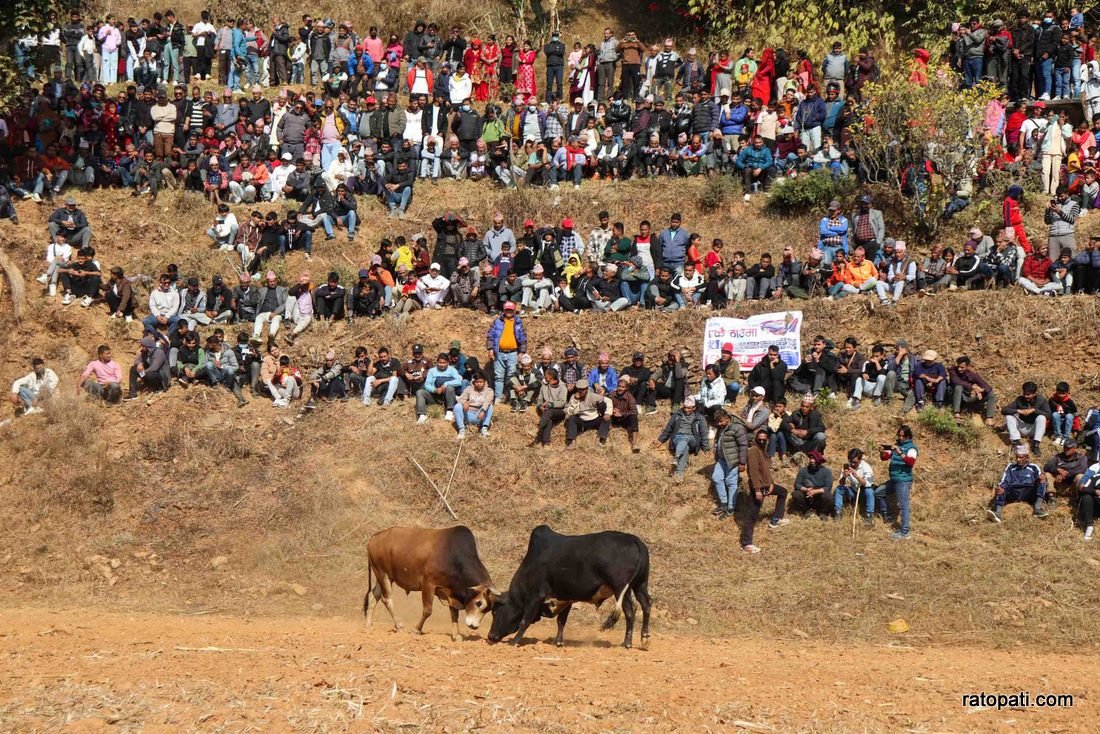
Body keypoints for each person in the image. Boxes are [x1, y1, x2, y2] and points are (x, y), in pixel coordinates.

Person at [741, 428, 790, 552]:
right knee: (752, 515)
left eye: (764, 439)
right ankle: (747, 543)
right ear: (756, 439)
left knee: (782, 492)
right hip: (759, 487)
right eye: (760, 439)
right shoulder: (753, 451)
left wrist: (772, 484)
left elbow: (765, 472)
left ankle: (776, 519)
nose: (762, 441)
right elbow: (753, 472)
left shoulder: (763, 451)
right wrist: (757, 490)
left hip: (767, 486)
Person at [875, 425, 918, 539]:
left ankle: (905, 532)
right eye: (898, 435)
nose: (899, 437)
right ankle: (887, 517)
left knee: (904, 506)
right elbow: (884, 457)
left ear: (908, 436)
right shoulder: (897, 446)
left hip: (903, 481)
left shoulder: (911, 448)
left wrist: (900, 453)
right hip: (894, 480)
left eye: (902, 436)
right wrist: (882, 452)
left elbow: (910, 462)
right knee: (879, 492)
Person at [655, 396, 709, 483]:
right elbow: (669, 428)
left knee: (686, 438)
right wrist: (661, 440)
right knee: (685, 447)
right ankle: (679, 474)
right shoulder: (677, 415)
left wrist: (705, 447)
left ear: (694, 408)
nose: (686, 410)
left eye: (689, 408)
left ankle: (676, 457)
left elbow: (704, 433)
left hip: (692, 439)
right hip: (678, 438)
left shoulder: (699, 418)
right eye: (685, 407)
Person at [988, 445, 1049, 522]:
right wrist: (1001, 487)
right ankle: (997, 513)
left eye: (1020, 457)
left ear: (1026, 457)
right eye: (1017, 457)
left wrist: (1041, 478)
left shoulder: (1033, 467)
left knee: (1043, 480)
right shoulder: (1011, 467)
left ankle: (1037, 508)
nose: (1018, 459)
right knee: (1001, 487)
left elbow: (1039, 478)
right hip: (1014, 492)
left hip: (1028, 492)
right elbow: (1005, 481)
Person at [711, 407, 749, 518]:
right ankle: (723, 503)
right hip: (722, 460)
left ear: (727, 418)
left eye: (721, 421)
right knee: (716, 477)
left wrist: (742, 462)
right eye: (717, 421)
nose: (719, 423)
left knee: (731, 482)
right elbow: (718, 440)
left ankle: (731, 507)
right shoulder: (721, 427)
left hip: (733, 461)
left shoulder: (737, 428)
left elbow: (743, 445)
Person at [486, 300, 527, 403]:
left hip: (513, 353)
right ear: (504, 310)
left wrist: (521, 352)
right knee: (498, 376)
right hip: (499, 352)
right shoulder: (497, 321)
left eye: (511, 310)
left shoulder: (518, 322)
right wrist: (490, 349)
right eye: (507, 310)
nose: (509, 312)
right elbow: (490, 336)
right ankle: (499, 397)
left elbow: (523, 338)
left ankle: (510, 397)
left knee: (511, 376)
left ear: (514, 311)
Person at [1002, 381, 1051, 457]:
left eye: (1028, 395)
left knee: (1041, 418)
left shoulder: (1041, 400)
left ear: (1034, 394)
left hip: (1033, 429)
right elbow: (1004, 410)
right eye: (1024, 394)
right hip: (1021, 428)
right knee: (1009, 416)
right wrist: (1018, 410)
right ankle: (1016, 442)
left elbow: (1049, 415)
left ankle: (1036, 444)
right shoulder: (1019, 400)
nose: (1026, 396)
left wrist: (1034, 410)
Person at [948, 355, 997, 425]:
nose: (959, 369)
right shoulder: (952, 370)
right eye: (958, 366)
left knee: (991, 394)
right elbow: (956, 381)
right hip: (955, 395)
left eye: (962, 367)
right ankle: (957, 413)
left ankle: (989, 418)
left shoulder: (972, 375)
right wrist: (972, 386)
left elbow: (987, 386)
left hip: (967, 396)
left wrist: (980, 390)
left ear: (967, 367)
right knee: (958, 387)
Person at [416, 352, 462, 424]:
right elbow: (427, 384)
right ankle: (422, 415)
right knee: (420, 392)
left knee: (450, 388)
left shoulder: (452, 370)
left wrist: (446, 384)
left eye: (444, 363)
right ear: (437, 362)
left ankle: (449, 411)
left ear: (448, 362)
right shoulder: (432, 371)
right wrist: (435, 390)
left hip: (448, 396)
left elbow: (458, 381)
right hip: (435, 396)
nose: (442, 365)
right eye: (440, 363)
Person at [834, 447, 876, 521]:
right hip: (853, 491)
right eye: (851, 461)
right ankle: (838, 512)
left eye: (855, 462)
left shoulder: (866, 467)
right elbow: (841, 483)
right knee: (839, 489)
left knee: (869, 491)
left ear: (860, 460)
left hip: (863, 492)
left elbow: (867, 484)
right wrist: (844, 477)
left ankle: (869, 515)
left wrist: (857, 476)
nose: (852, 464)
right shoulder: (847, 466)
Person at [791, 450, 834, 519]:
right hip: (807, 495)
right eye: (810, 458)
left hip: (819, 495)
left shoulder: (826, 471)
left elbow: (828, 487)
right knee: (796, 494)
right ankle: (806, 510)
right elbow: (797, 484)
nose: (812, 461)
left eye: (814, 459)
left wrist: (815, 491)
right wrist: (806, 489)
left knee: (828, 496)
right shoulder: (803, 470)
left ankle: (823, 512)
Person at [125, 335, 169, 401]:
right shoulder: (145, 352)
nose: (141, 348)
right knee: (133, 369)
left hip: (161, 376)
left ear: (147, 346)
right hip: (149, 374)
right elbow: (137, 360)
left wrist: (142, 373)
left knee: (150, 374)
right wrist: (140, 364)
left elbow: (155, 368)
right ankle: (132, 393)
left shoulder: (159, 353)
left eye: (143, 346)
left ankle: (160, 388)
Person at [1044, 438, 1087, 502]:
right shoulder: (1057, 457)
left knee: (1080, 476)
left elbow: (1082, 470)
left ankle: (1078, 499)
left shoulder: (1082, 458)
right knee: (1047, 474)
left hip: (1072, 487)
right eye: (1065, 447)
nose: (1066, 450)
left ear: (1075, 448)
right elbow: (1046, 467)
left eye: (1069, 448)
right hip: (1058, 486)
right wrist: (1057, 470)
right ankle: (1051, 497)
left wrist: (1066, 474)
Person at [454, 371, 494, 439]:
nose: (479, 384)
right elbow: (461, 399)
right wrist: (464, 403)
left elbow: (487, 401)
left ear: (484, 382)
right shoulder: (469, 389)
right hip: (468, 414)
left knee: (490, 406)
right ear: (474, 382)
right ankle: (462, 429)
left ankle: (484, 429)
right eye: (477, 382)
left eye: (481, 382)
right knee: (457, 406)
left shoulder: (489, 391)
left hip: (480, 415)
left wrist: (483, 410)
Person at [533, 367, 568, 446]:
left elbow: (562, 402)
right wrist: (540, 406)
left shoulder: (562, 387)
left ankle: (538, 430)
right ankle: (546, 443)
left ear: (550, 376)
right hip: (547, 411)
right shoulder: (544, 386)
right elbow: (539, 399)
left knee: (549, 413)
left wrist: (550, 404)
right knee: (548, 419)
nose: (544, 376)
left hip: (560, 411)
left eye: (545, 375)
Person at [1048, 381, 1079, 448]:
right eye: (1059, 393)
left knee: (1069, 416)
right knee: (1055, 414)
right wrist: (1047, 427)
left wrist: (1076, 429)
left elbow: (1075, 416)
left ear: (1067, 392)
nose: (1061, 395)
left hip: (1066, 424)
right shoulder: (1052, 401)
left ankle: (1065, 437)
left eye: (1063, 394)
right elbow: (1048, 414)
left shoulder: (1070, 402)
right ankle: (1058, 436)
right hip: (1056, 423)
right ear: (1056, 391)